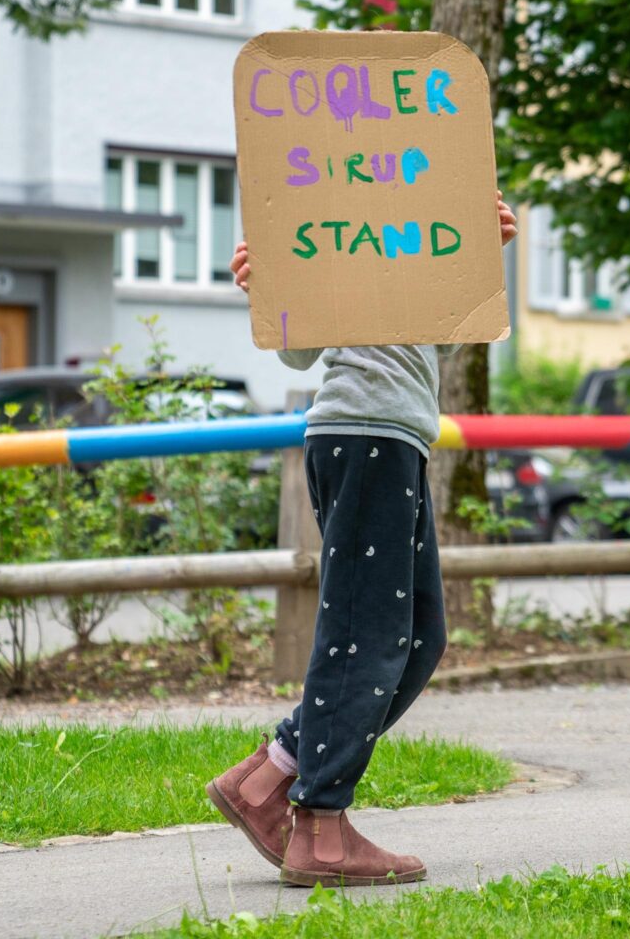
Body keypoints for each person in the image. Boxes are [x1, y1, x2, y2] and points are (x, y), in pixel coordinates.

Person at [206, 189, 519, 887]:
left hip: (393, 435)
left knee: (418, 635)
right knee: (364, 634)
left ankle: (272, 776)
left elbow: (444, 320)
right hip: (362, 429)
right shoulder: (329, 204)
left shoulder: (412, 202)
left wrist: (475, 253)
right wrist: (271, 283)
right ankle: (320, 825)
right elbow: (298, 355)